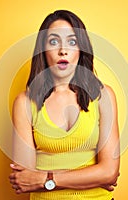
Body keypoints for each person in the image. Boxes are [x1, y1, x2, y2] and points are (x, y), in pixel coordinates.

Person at [9, 10, 120, 200]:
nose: (63, 50)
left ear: (81, 49)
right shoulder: (24, 103)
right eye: (53, 42)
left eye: (72, 41)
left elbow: (109, 172)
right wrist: (94, 175)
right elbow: (25, 180)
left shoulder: (103, 96)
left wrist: (46, 178)